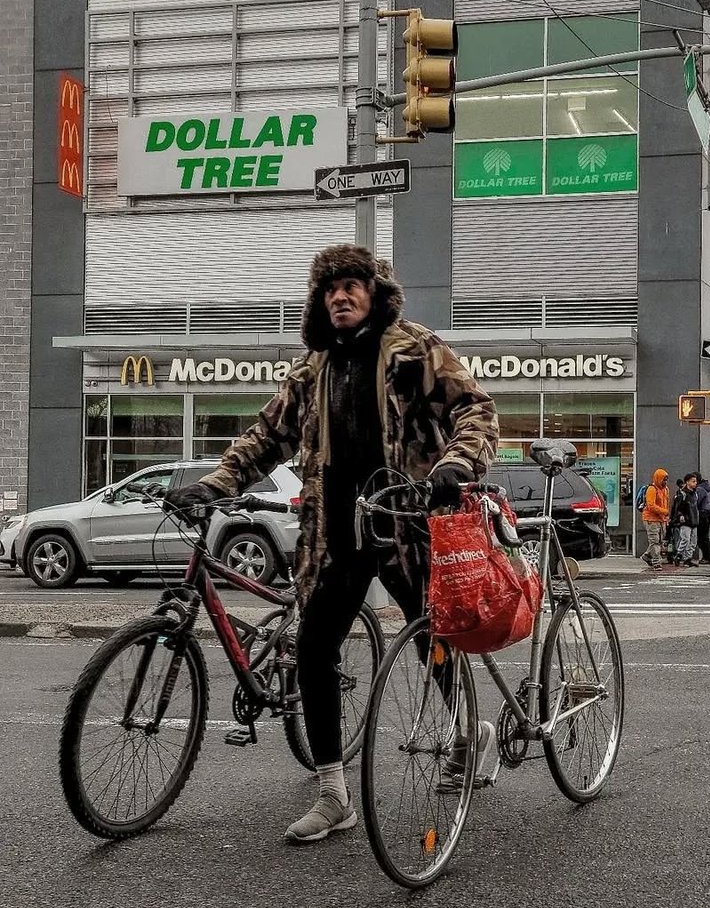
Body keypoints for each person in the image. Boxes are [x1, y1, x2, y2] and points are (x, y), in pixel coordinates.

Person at [164, 245, 499, 842]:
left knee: (435, 640)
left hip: (406, 524)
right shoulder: (310, 370)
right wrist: (215, 482)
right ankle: (332, 792)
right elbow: (267, 438)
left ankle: (473, 731)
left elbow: (476, 410)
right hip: (337, 534)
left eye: (352, 285)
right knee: (314, 649)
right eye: (330, 288)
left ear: (375, 294)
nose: (340, 296)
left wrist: (455, 463)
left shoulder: (414, 350)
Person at [639, 468, 671, 569]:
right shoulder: (652, 489)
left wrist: (666, 516)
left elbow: (666, 504)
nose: (665, 482)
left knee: (659, 540)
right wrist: (664, 512)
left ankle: (647, 555)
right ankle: (656, 562)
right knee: (655, 541)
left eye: (666, 480)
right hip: (650, 519)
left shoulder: (666, 490)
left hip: (661, 519)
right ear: (658, 479)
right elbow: (650, 505)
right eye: (663, 480)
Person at [670, 473, 700, 566]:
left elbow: (695, 507)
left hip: (694, 520)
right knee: (685, 539)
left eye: (695, 481)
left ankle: (688, 558)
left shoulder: (695, 494)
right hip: (686, 520)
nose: (695, 483)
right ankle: (679, 555)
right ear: (687, 482)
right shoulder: (682, 494)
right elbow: (677, 507)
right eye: (693, 481)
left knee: (693, 541)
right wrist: (680, 516)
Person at [694, 473, 710, 565]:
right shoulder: (704, 488)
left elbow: (696, 502)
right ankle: (707, 557)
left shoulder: (699, 489)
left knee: (702, 537)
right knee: (704, 536)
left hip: (704, 513)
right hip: (707, 512)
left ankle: (707, 557)